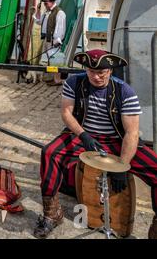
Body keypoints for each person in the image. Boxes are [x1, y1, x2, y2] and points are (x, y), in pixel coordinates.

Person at [33, 49, 157, 239]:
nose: (97, 76)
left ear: (110, 71)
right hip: (83, 134)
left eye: (102, 72)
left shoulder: (125, 91)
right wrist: (84, 136)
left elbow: (131, 133)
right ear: (86, 69)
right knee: (50, 152)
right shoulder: (74, 82)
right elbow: (66, 112)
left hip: (116, 139)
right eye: (92, 71)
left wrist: (121, 166)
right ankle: (52, 214)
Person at [33, 0, 66, 85]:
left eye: (46, 3)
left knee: (56, 60)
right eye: (44, 3)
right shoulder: (47, 12)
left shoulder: (59, 13)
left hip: (53, 40)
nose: (45, 5)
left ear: (52, 2)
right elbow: (39, 21)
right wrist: (38, 11)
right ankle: (54, 78)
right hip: (47, 38)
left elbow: (60, 29)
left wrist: (56, 41)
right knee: (50, 60)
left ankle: (57, 80)